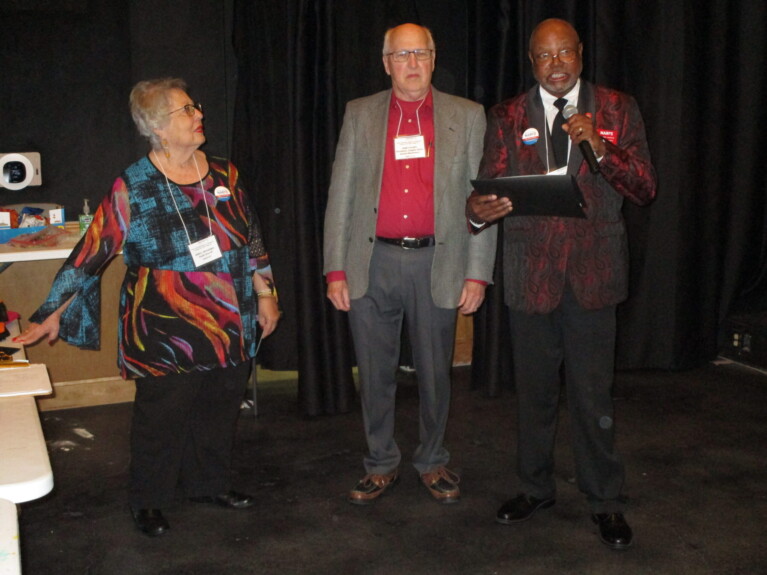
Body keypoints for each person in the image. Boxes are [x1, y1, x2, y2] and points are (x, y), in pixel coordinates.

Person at [14, 78, 280, 537]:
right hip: (162, 325)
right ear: (157, 126)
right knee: (162, 417)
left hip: (228, 317)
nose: (199, 115)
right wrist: (51, 310)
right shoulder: (133, 185)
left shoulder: (224, 174)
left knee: (219, 407)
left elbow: (251, 235)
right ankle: (148, 499)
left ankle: (208, 484)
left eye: (195, 106)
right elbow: (93, 250)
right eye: (186, 110)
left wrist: (266, 292)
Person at [467, 19, 657, 549]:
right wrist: (478, 210)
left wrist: (601, 144)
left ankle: (606, 501)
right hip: (532, 277)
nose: (556, 64)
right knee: (534, 395)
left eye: (565, 53)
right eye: (545, 57)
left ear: (580, 54)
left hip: (595, 277)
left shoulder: (618, 107)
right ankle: (535, 488)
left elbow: (644, 187)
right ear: (532, 62)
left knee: (594, 395)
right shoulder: (506, 115)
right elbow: (488, 184)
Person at [324, 23, 496, 505]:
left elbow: (482, 201)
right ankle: (380, 461)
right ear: (386, 63)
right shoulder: (360, 115)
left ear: (434, 58)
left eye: (421, 53)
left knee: (436, 373)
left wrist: (478, 272)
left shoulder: (468, 115)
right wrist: (334, 268)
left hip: (437, 262)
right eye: (402, 55)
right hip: (370, 260)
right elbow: (340, 196)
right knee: (374, 371)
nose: (413, 64)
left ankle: (433, 458)